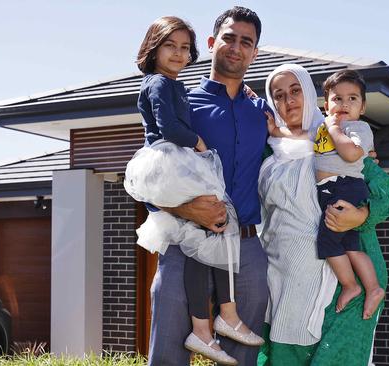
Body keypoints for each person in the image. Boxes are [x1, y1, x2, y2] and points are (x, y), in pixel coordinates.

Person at [129, 15, 262, 365]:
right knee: (169, 355)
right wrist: (185, 209)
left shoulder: (262, 111)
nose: (236, 48)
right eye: (229, 38)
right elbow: (150, 174)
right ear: (210, 43)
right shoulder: (183, 104)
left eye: (246, 42)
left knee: (243, 359)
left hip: (246, 248)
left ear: (255, 52)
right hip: (184, 245)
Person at [257, 64, 389, 365]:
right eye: (278, 95)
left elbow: (384, 198)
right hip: (282, 283)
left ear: (309, 94)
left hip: (341, 283)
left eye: (296, 91)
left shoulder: (337, 141)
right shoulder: (270, 154)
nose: (288, 101)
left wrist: (361, 216)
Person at [269, 69, 384, 319]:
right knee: (351, 247)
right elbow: (299, 137)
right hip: (331, 189)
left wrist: (334, 129)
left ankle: (351, 285)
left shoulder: (357, 128)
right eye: (337, 99)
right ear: (326, 104)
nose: (344, 104)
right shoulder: (322, 128)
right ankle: (373, 287)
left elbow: (352, 154)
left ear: (363, 106)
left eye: (352, 99)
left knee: (327, 241)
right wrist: (276, 132)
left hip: (343, 188)